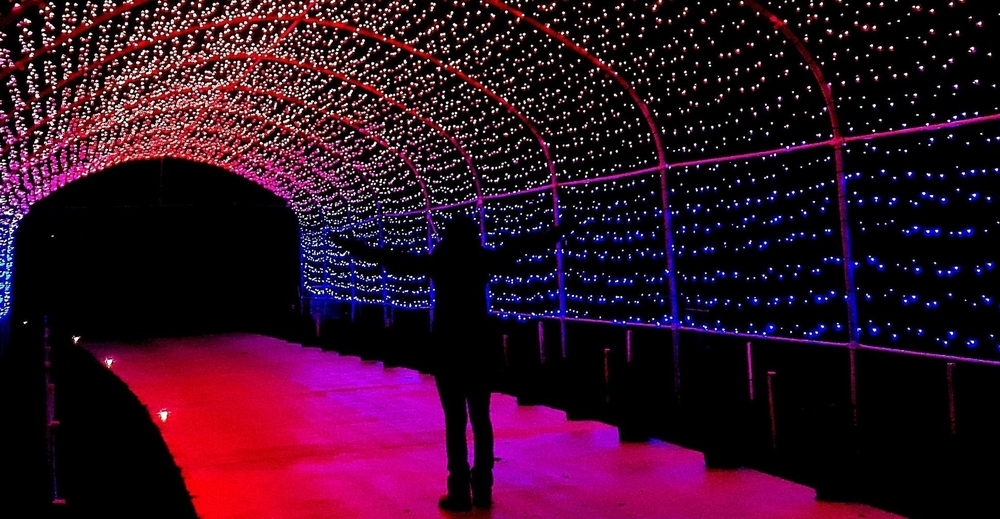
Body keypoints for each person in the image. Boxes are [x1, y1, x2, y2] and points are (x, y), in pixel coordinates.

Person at [331, 215, 568, 511]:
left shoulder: (439, 262)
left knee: (455, 421)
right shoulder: (482, 260)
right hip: (479, 347)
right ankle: (483, 487)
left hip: (448, 348)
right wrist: (558, 230)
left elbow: (392, 259)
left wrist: (348, 244)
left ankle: (459, 491)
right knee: (481, 419)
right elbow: (520, 247)